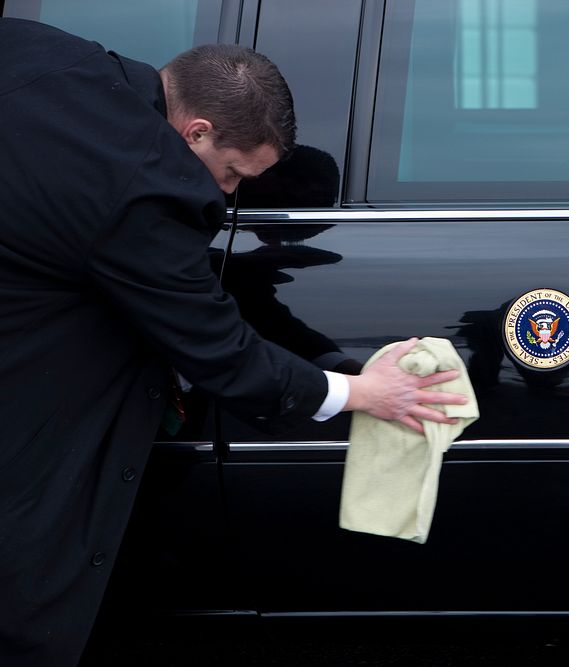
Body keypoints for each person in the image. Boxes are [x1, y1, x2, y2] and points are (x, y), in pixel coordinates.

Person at [0, 18, 467, 666]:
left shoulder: (48, 52)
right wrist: (363, 392)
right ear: (196, 132)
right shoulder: (138, 192)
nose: (228, 195)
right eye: (230, 173)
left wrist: (325, 356)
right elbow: (220, 349)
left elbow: (229, 298)